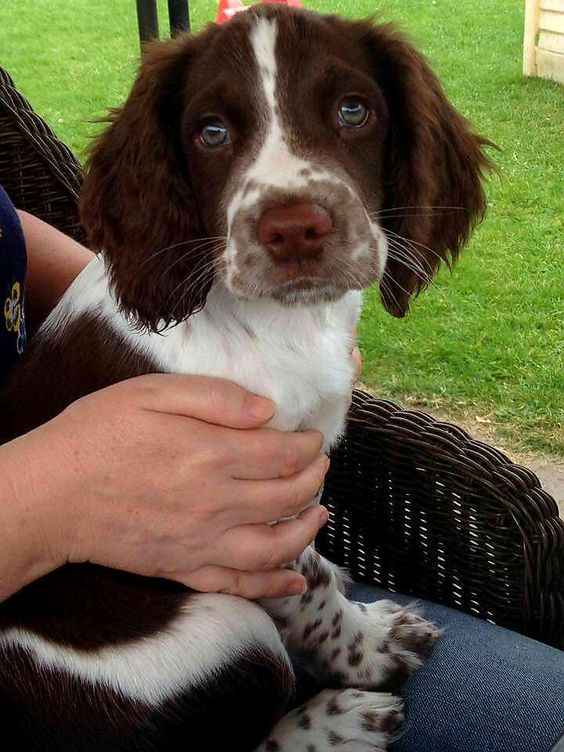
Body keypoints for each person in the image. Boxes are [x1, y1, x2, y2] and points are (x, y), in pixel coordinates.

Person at [1, 185, 562, 751]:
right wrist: (55, 496)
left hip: (217, 575)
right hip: (77, 673)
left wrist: (144, 312)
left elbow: (8, 231)